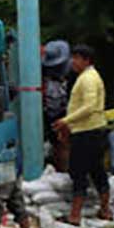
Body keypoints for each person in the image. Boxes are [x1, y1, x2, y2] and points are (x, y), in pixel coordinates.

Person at [54, 43, 112, 225]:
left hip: (87, 132)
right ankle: (105, 211)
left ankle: (75, 216)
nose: (73, 62)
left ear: (86, 60)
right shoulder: (89, 77)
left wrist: (66, 121)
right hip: (92, 130)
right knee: (97, 171)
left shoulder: (88, 79)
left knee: (78, 172)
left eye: (76, 58)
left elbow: (89, 106)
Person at [42, 39, 71, 171]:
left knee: (62, 146)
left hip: (60, 114)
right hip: (54, 115)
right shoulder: (47, 78)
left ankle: (64, 171)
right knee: (60, 146)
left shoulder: (71, 76)